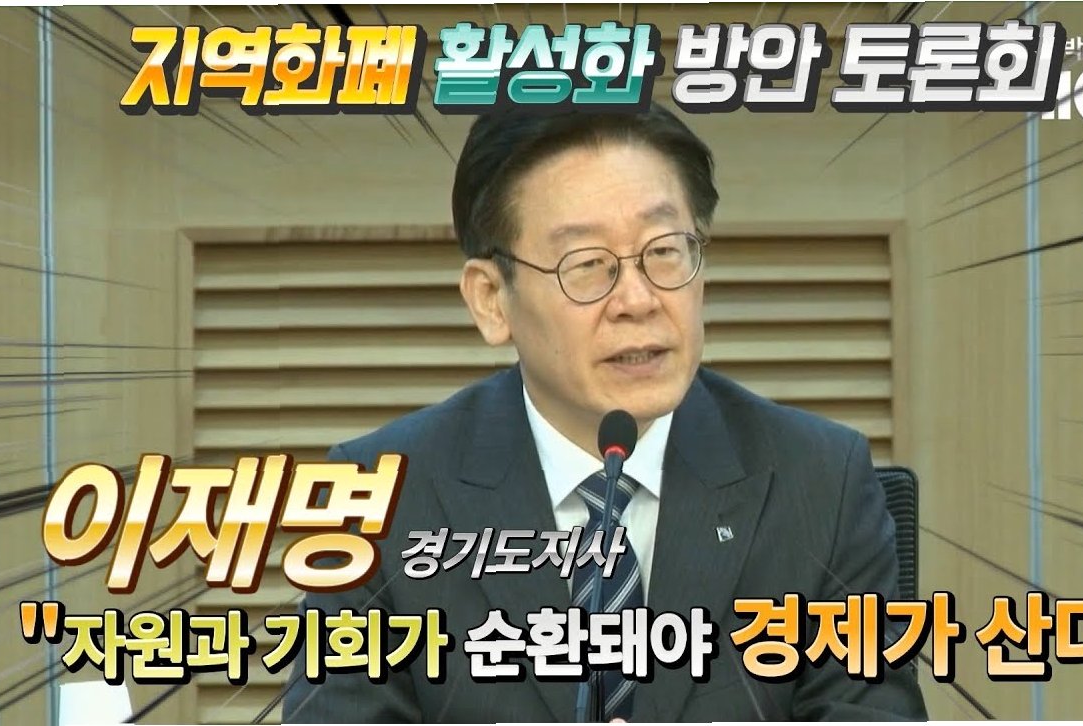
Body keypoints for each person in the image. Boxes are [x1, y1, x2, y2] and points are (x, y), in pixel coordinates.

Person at [283, 103, 928, 723]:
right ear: (491, 300)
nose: (638, 300)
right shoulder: (380, 498)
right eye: (587, 265)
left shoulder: (821, 483)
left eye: (665, 250)